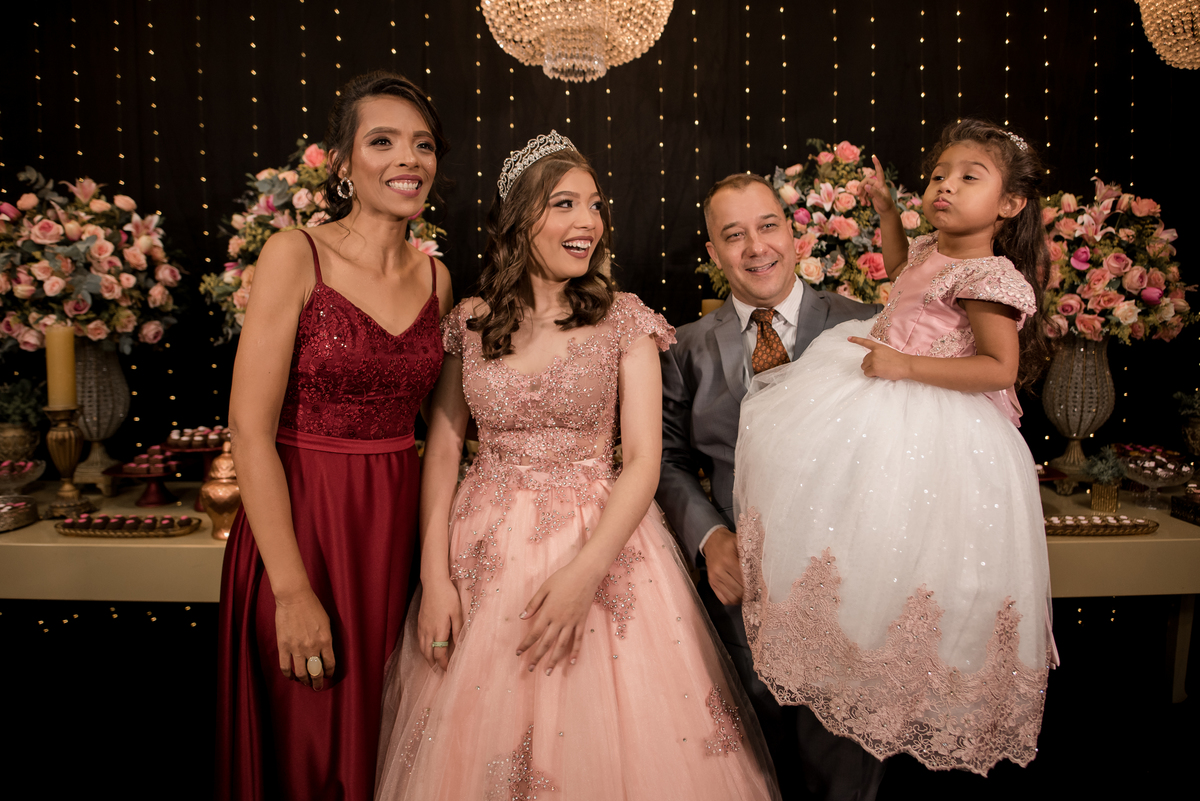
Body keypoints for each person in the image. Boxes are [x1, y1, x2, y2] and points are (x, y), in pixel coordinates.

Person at [374, 133, 778, 800]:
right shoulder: (470, 322)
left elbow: (643, 461)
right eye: (565, 203)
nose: (587, 220)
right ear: (521, 218)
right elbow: (442, 448)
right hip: (483, 554)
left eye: (594, 205)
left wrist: (582, 576)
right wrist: (434, 576)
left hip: (605, 546)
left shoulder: (625, 321)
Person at [734, 119, 1057, 780]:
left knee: (909, 551)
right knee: (850, 537)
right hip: (878, 386)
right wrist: (885, 210)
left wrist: (906, 368)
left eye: (969, 178)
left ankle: (887, 677)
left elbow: (998, 367)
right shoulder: (935, 250)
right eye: (939, 175)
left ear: (1010, 203)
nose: (945, 187)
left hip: (934, 419)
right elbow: (905, 264)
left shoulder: (988, 275)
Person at [216, 71, 453, 801]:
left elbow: (446, 434)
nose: (407, 158)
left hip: (394, 536)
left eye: (422, 144)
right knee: (308, 747)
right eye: (382, 141)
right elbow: (248, 430)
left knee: (389, 748)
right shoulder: (295, 254)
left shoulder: (439, 281)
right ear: (344, 163)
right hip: (304, 529)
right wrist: (291, 591)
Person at [656, 173, 883, 799]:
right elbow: (667, 461)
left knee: (844, 777)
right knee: (756, 774)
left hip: (848, 592)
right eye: (734, 235)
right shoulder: (683, 349)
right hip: (742, 596)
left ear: (793, 233)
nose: (756, 247)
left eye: (767, 226)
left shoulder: (866, 326)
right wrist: (710, 539)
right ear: (714, 252)